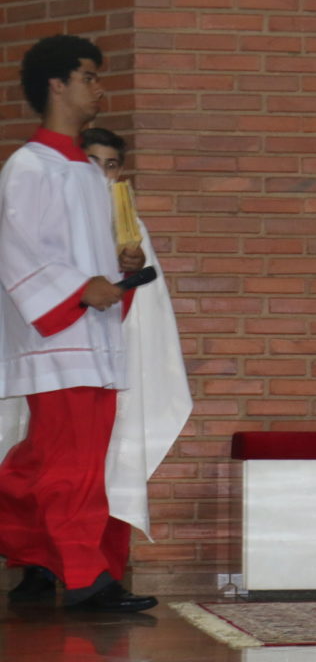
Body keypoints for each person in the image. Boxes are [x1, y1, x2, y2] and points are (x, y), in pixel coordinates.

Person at [0, 35, 156, 612]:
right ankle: (88, 578)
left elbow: (83, 255)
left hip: (92, 336)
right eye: (89, 77)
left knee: (54, 461)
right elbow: (18, 250)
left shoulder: (89, 175)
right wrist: (78, 288)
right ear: (56, 84)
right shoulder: (28, 167)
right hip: (58, 337)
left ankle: (27, 545)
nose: (99, 89)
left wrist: (119, 268)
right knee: (68, 466)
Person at [80, 128, 193, 550]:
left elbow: (145, 305)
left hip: (113, 364)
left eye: (110, 165)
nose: (102, 174)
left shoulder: (131, 226)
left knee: (112, 464)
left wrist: (131, 268)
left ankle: (103, 568)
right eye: (92, 163)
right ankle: (39, 567)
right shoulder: (52, 216)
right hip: (61, 359)